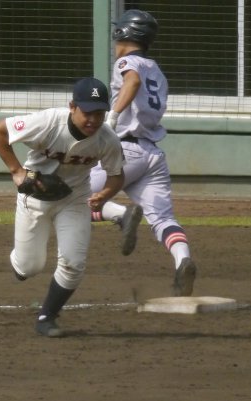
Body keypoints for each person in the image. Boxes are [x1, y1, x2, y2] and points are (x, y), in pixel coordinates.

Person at [0, 77, 126, 338]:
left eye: (99, 113)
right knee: (29, 267)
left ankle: (47, 317)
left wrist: (105, 194)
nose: (93, 120)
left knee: (74, 263)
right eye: (87, 112)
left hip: (74, 198)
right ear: (72, 106)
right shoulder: (48, 122)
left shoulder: (106, 139)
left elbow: (117, 175)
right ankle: (19, 262)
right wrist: (17, 171)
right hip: (36, 195)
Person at [90, 9, 197, 297]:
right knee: (163, 219)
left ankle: (121, 215)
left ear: (123, 33)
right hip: (153, 156)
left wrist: (112, 116)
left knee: (69, 199)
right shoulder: (158, 71)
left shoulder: (128, 62)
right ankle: (182, 260)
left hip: (125, 150)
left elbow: (132, 81)